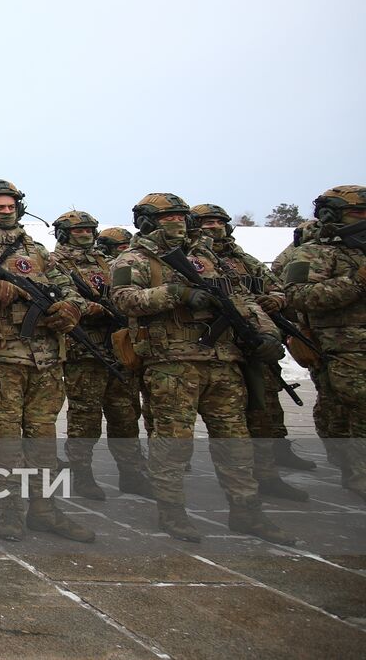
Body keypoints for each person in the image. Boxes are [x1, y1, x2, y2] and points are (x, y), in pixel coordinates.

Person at [110, 193, 294, 544]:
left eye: (180, 216)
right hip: (172, 365)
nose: (177, 222)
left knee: (236, 444)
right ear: (148, 221)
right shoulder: (133, 259)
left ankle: (246, 512)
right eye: (167, 218)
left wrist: (268, 334)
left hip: (223, 363)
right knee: (173, 446)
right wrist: (176, 294)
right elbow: (122, 299)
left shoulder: (206, 257)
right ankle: (172, 513)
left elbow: (244, 300)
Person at [0, 179, 94, 543]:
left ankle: (45, 510)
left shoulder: (39, 251)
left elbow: (71, 288)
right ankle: (10, 510)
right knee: (7, 438)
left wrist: (71, 307)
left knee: (43, 438)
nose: (6, 211)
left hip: (45, 358)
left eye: (11, 206)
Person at [190, 203, 308, 502]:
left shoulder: (241, 260)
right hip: (210, 349)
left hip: (250, 345)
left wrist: (275, 303)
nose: (213, 226)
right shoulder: (191, 258)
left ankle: (266, 474)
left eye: (218, 221)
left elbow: (276, 288)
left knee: (262, 411)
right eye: (206, 222)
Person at [49, 210, 152, 499]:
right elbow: (61, 299)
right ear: (63, 233)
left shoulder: (108, 262)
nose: (84, 234)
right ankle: (82, 474)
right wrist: (92, 308)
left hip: (119, 347)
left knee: (126, 416)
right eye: (77, 230)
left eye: (88, 229)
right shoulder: (54, 263)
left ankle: (131, 473)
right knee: (86, 418)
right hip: (85, 350)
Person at [283, 185, 366, 502]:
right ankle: (357, 475)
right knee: (354, 412)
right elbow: (300, 296)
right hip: (341, 347)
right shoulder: (313, 253)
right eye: (357, 211)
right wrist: (358, 280)